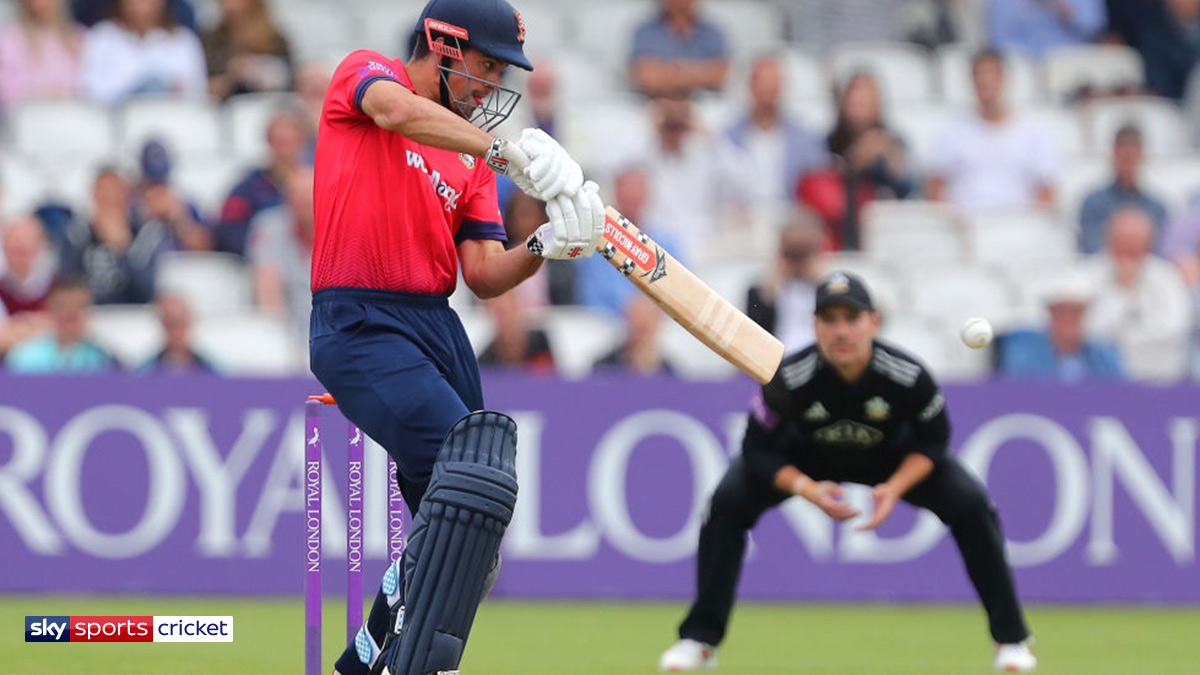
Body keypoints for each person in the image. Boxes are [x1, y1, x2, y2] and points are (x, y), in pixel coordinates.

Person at [307, 1, 605, 674]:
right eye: (488, 65)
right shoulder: (366, 74)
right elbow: (396, 112)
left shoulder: (471, 162)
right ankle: (382, 664)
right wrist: (506, 148)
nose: (493, 86)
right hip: (360, 320)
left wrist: (546, 243)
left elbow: (484, 275)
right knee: (464, 468)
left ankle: (382, 660)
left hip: (436, 328)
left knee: (473, 531)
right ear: (441, 44)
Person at [659, 272, 1037, 674]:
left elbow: (934, 442)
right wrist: (807, 490)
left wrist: (893, 489)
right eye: (829, 319)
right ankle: (699, 640)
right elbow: (756, 451)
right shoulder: (788, 377)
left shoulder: (907, 376)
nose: (841, 331)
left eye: (851, 318)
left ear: (873, 322)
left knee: (972, 504)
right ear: (815, 325)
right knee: (726, 504)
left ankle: (1011, 640)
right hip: (808, 461)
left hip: (892, 460)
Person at [927, 49, 1059, 212]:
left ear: (1004, 79)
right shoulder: (950, 131)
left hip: (1020, 228)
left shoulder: (1034, 132)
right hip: (966, 228)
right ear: (971, 81)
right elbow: (936, 185)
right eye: (979, 75)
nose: (985, 81)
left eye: (991, 74)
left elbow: (1046, 189)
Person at [800, 71, 913, 250]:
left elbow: (909, 187)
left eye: (868, 101)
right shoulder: (827, 144)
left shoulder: (893, 143)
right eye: (857, 101)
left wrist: (891, 158)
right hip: (837, 232)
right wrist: (854, 162)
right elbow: (814, 189)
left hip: (885, 234)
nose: (862, 107)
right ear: (843, 103)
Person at [1083, 207, 1192, 382]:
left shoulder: (1166, 275)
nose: (1128, 248)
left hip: (1159, 376)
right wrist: (1122, 292)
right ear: (1109, 240)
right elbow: (1089, 332)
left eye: (1135, 241)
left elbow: (1174, 328)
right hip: (1100, 379)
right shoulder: (1087, 274)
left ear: (1148, 244)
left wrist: (1122, 339)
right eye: (1123, 240)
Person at [723, 54, 826, 207]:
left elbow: (818, 183)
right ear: (751, 87)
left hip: (791, 215)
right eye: (764, 84)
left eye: (774, 84)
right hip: (744, 217)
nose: (769, 91)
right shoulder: (728, 137)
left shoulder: (805, 138)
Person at [60, 166, 168, 305]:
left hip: (134, 315)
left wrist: (122, 247)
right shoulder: (76, 233)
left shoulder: (147, 233)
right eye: (103, 191)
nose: (109, 198)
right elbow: (67, 284)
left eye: (115, 191)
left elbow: (145, 291)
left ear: (126, 195)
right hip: (88, 314)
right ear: (93, 194)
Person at [215, 109, 310, 256]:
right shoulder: (247, 188)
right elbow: (229, 233)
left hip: (315, 261)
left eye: (289, 140)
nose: (284, 145)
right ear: (268, 141)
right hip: (263, 263)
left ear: (302, 139)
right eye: (278, 141)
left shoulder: (323, 183)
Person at [78, 0, 207, 105]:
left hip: (173, 126)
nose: (142, 4)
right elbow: (90, 94)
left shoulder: (184, 40)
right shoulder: (102, 37)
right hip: (116, 127)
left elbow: (198, 96)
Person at [995, 276, 1124, 380]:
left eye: (1076, 312)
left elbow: (1118, 391)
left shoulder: (1103, 355)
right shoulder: (1024, 354)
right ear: (1051, 313)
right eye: (1062, 312)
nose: (1069, 318)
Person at [1077, 124, 1167, 255]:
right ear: (1113, 155)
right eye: (1123, 156)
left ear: (1142, 156)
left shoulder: (1158, 208)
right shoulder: (1093, 203)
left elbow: (1161, 252)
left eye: (1132, 156)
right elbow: (1091, 248)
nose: (1128, 161)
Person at [745, 211, 827, 354]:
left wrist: (820, 283)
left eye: (803, 252)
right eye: (791, 252)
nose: (797, 260)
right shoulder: (759, 291)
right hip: (776, 361)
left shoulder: (830, 290)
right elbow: (753, 335)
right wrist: (774, 286)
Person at [248, 165, 314, 340]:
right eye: (296, 196)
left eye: (309, 197)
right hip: (289, 331)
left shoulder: (346, 233)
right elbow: (269, 295)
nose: (304, 204)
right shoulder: (268, 228)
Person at [5, 274, 119, 373]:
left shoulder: (103, 359)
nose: (71, 313)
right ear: (50, 308)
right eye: (63, 306)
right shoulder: (24, 357)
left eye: (79, 306)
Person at [629, 0, 730, 97]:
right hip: (652, 104)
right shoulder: (645, 32)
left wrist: (666, 73)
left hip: (704, 105)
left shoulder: (712, 33)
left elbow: (719, 76)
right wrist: (699, 72)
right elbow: (646, 77)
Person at [0, 0, 84, 112]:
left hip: (74, 118)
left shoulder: (78, 38)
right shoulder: (9, 40)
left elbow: (92, 89)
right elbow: (7, 93)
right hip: (28, 119)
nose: (41, 3)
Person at [201, 0, 292, 100]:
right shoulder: (211, 40)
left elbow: (287, 79)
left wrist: (254, 70)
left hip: (266, 103)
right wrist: (229, 78)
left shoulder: (274, 40)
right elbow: (202, 83)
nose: (227, 6)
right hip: (224, 107)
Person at [988, 0, 1106, 57]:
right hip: (1025, 65)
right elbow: (1000, 40)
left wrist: (1061, 7)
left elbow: (1095, 27)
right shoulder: (1002, 3)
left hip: (1072, 60)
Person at [592, 295, 675, 376]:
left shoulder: (670, 374)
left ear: (658, 322)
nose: (643, 325)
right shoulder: (604, 369)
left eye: (649, 319)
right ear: (627, 320)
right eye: (638, 318)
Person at [477, 289, 557, 373]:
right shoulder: (485, 360)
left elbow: (551, 379)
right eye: (498, 313)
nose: (505, 320)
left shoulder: (540, 343)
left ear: (517, 307)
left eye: (506, 311)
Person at [139, 293, 217, 373]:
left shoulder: (212, 372)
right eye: (171, 323)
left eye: (180, 322)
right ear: (161, 324)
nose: (176, 331)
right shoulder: (144, 373)